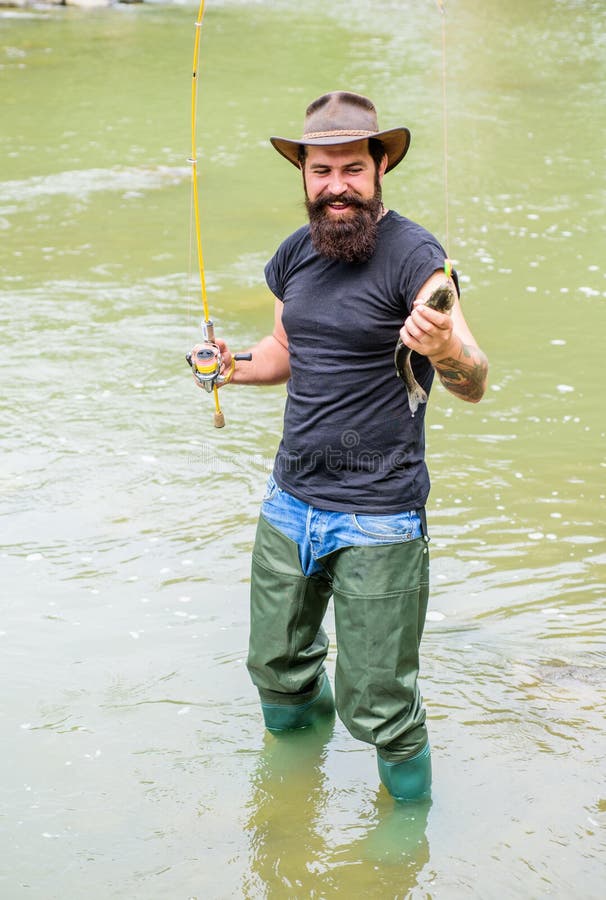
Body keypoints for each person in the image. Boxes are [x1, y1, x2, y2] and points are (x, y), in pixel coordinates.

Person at [190, 91, 488, 801]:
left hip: (380, 515)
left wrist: (445, 348)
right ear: (302, 174)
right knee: (275, 668)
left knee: (380, 703)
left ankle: (403, 841)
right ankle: (294, 800)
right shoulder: (296, 254)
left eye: (352, 168)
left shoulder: (420, 260)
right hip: (290, 502)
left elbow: (473, 380)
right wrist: (225, 367)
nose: (336, 186)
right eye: (320, 170)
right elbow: (284, 351)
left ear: (380, 166)